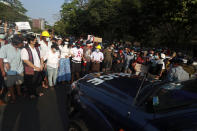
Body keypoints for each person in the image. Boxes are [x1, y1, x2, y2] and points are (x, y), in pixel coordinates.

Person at [0, 34, 24, 103]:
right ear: (15, 44)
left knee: (18, 83)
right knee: (10, 84)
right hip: (10, 70)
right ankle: (13, 96)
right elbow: (1, 60)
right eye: (21, 43)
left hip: (19, 69)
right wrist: (3, 71)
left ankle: (19, 93)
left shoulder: (21, 48)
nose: (22, 44)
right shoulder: (5, 48)